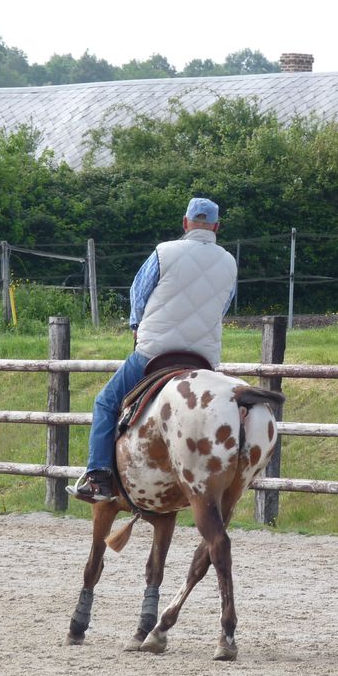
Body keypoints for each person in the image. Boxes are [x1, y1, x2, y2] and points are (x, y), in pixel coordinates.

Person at [70, 197, 237, 502]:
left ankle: (98, 477)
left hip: (154, 353)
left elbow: (139, 292)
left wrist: (136, 327)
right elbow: (223, 305)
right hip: (203, 361)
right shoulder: (229, 261)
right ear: (216, 226)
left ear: (185, 223)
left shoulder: (164, 252)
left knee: (106, 403)